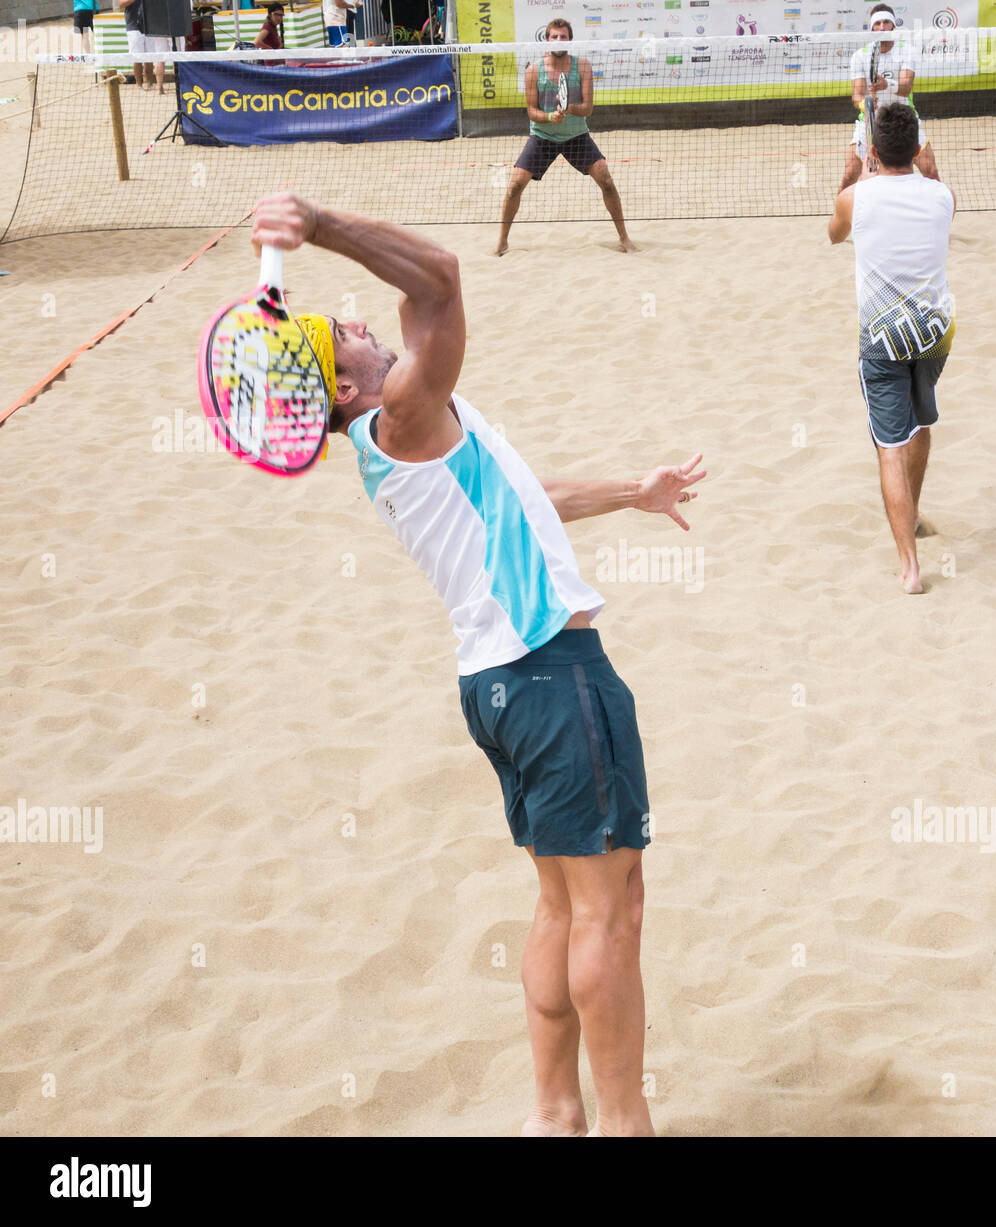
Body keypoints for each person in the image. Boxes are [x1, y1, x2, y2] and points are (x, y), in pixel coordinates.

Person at [249, 190, 705, 1136]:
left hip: (498, 686)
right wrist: (323, 225)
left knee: (563, 899)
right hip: (550, 675)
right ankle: (626, 1124)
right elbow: (441, 282)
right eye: (346, 334)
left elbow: (521, 497)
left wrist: (632, 490)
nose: (368, 324)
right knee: (609, 910)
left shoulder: (407, 439)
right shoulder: (408, 411)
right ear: (344, 389)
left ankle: (553, 1113)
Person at [828, 103, 955, 595]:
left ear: (873, 150)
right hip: (935, 331)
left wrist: (850, 177)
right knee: (921, 424)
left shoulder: (856, 198)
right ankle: (915, 513)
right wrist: (931, 170)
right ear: (919, 149)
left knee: (889, 447)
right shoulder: (941, 195)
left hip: (883, 336)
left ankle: (910, 567)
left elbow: (833, 236)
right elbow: (937, 205)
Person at [495, 18, 634, 256]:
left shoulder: (583, 67)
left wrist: (569, 110)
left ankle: (624, 239)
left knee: (607, 181)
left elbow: (588, 108)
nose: (559, 40)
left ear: (570, 39)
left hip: (576, 135)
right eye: (554, 36)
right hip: (543, 136)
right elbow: (532, 112)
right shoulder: (533, 71)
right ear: (547, 40)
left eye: (563, 36)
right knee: (515, 186)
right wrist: (551, 117)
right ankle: (502, 242)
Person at [840, 4, 940, 192]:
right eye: (878, 23)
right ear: (872, 28)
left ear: (893, 26)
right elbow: (857, 95)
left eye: (887, 22)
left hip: (904, 119)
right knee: (849, 176)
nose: (882, 26)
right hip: (871, 122)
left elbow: (906, 87)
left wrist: (886, 85)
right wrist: (865, 104)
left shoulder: (906, 50)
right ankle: (841, 218)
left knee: (931, 171)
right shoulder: (860, 56)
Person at [116, 0, 168, 94]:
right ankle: (139, 85)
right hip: (133, 26)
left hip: (149, 25)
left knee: (150, 57)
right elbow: (120, 4)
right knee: (137, 58)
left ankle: (150, 83)